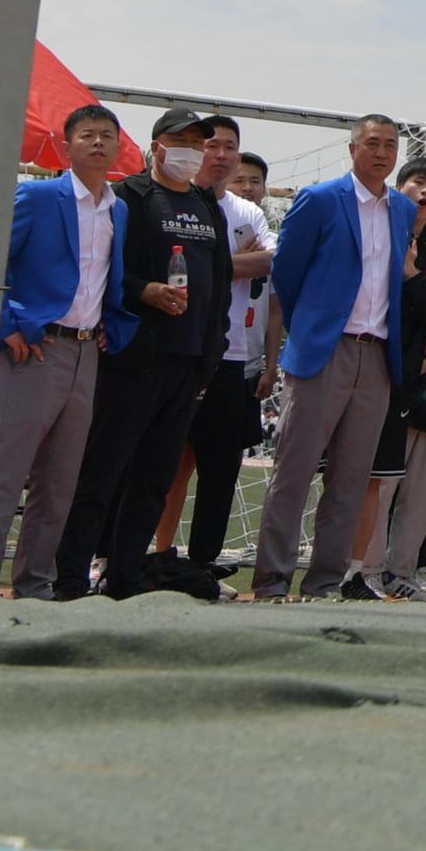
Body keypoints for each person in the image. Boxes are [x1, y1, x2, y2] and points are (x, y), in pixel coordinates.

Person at [54, 106, 230, 599]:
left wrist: (209, 356)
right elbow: (108, 274)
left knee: (155, 479)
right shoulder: (129, 198)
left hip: (189, 362)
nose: (193, 152)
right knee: (103, 473)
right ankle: (69, 576)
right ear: (157, 147)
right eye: (183, 142)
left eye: (200, 143)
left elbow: (218, 286)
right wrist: (144, 291)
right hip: (134, 361)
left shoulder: (206, 204)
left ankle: (127, 579)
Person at [250, 115, 421, 604]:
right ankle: (271, 581)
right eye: (372, 143)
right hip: (325, 349)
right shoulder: (321, 199)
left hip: (376, 354)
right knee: (294, 471)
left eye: (390, 145)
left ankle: (324, 582)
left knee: (350, 479)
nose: (382, 152)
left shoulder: (403, 209)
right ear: (352, 149)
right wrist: (316, 322)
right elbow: (288, 270)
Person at [0, 106, 128, 596]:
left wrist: (109, 328)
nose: (98, 143)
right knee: (7, 473)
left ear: (119, 148)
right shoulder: (39, 195)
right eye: (87, 136)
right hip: (35, 349)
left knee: (60, 482)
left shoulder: (117, 209)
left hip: (86, 351)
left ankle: (35, 583)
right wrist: (8, 325)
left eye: (106, 136)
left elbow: (107, 280)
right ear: (66, 146)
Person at [156, 134, 272, 593]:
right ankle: (142, 553)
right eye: (211, 146)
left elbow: (271, 260)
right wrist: (231, 262)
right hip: (175, 349)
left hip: (232, 355)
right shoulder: (169, 203)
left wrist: (215, 263)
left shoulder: (248, 213)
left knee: (221, 468)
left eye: (230, 147)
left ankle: (202, 562)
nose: (220, 155)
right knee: (162, 461)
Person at [355, 157, 426, 600]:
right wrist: (419, 285)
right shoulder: (375, 232)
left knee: (409, 487)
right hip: (365, 366)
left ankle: (396, 572)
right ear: (397, 186)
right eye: (417, 183)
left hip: (416, 386)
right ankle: (358, 569)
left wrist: (411, 277)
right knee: (369, 482)